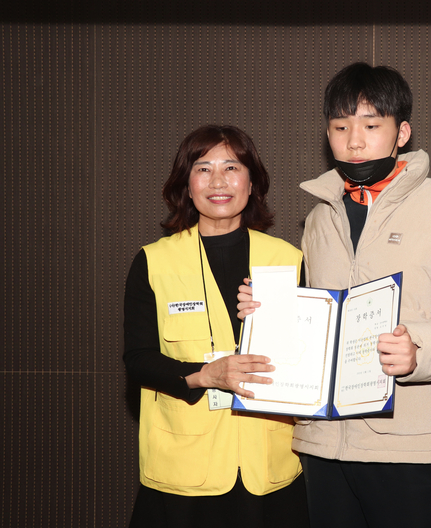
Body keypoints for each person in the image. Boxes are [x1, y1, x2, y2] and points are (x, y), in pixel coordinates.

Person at [238, 62, 431, 528]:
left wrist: (420, 349)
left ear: (402, 133)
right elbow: (317, 320)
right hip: (324, 441)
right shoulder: (321, 217)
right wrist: (268, 313)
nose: (354, 141)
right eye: (341, 127)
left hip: (411, 442)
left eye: (371, 126)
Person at [123, 125, 309, 528]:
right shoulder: (154, 262)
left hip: (268, 466)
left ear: (252, 183)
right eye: (203, 169)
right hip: (184, 472)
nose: (218, 181)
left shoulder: (288, 259)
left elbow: (312, 359)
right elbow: (138, 360)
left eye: (232, 167)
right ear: (186, 185)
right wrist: (204, 375)